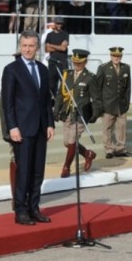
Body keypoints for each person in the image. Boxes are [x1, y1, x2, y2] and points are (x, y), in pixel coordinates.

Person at [1, 30, 55, 226]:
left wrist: (50, 123)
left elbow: (46, 100)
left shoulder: (42, 69)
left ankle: (34, 208)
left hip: (40, 128)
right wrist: (12, 127)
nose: (28, 49)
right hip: (22, 129)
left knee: (38, 171)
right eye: (24, 46)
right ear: (20, 47)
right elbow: (8, 103)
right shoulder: (11, 70)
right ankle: (21, 210)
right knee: (24, 171)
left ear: (37, 48)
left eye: (31, 46)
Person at [53, 49, 97, 178]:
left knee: (72, 140)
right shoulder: (67, 74)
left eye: (80, 63)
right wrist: (56, 111)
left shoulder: (90, 77)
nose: (77, 65)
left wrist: (95, 113)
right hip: (67, 113)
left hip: (81, 115)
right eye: (75, 62)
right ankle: (88, 153)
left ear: (85, 62)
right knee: (67, 143)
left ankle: (66, 167)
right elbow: (60, 95)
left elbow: (96, 98)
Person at [92, 47, 132, 158]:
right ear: (111, 56)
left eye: (119, 56)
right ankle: (109, 150)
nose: (116, 58)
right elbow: (98, 88)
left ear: (121, 56)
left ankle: (121, 149)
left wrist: (127, 104)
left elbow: (128, 88)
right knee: (107, 128)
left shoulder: (126, 68)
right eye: (114, 56)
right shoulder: (103, 68)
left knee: (122, 128)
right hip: (107, 104)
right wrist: (99, 105)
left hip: (121, 104)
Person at [44, 16, 69, 98]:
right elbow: (46, 49)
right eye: (58, 23)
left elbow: (63, 48)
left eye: (61, 24)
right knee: (51, 85)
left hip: (62, 63)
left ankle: (62, 104)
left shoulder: (65, 34)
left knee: (64, 84)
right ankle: (52, 103)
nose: (60, 25)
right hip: (52, 63)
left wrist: (51, 45)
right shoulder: (49, 35)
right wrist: (59, 47)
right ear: (54, 24)